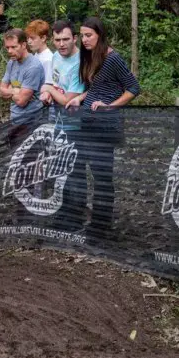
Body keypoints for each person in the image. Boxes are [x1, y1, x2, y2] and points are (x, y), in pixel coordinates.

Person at [66, 17, 140, 244]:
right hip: (86, 122)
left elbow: (134, 88)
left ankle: (100, 227)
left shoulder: (113, 58)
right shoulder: (88, 57)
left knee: (102, 177)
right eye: (83, 35)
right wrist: (79, 98)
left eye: (89, 35)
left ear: (99, 34)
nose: (85, 40)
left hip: (105, 127)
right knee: (76, 170)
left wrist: (111, 105)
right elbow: (95, 89)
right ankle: (77, 220)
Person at [39, 20, 86, 230]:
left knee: (76, 173)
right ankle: (64, 213)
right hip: (58, 123)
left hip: (78, 126)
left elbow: (70, 100)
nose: (61, 44)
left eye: (66, 39)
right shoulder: (56, 57)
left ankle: (75, 219)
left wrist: (50, 90)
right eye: (57, 40)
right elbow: (55, 87)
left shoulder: (80, 61)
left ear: (74, 38)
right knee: (61, 171)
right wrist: (47, 93)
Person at [0, 28, 44, 124]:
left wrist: (9, 90)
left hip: (30, 120)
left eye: (14, 47)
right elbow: (1, 92)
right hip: (14, 117)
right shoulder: (11, 62)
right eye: (7, 47)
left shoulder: (33, 66)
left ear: (24, 45)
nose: (10, 51)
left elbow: (21, 101)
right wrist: (15, 91)